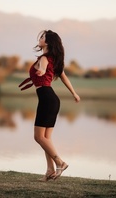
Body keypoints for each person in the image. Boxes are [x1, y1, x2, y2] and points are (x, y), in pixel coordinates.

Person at [19, 30, 80, 181]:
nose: (39, 39)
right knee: (46, 138)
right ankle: (50, 170)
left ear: (47, 42)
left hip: (47, 99)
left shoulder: (45, 59)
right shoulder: (54, 60)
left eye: (42, 37)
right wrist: (74, 94)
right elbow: (65, 78)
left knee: (38, 137)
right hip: (52, 100)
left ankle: (60, 162)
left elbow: (43, 68)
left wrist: (41, 71)